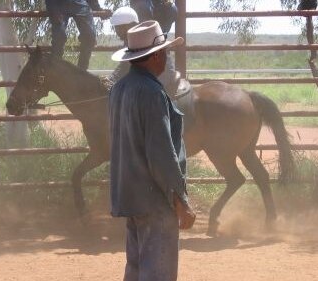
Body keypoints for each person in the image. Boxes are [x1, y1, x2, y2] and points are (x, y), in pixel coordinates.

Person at [109, 20, 196, 281]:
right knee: (157, 274)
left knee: (135, 270)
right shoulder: (152, 93)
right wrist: (180, 199)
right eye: (165, 52)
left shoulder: (118, 90)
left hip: (129, 196)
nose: (166, 57)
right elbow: (161, 153)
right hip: (155, 199)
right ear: (156, 55)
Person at [45, 0, 111, 70]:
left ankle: (81, 72)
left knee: (90, 36)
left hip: (79, 3)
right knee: (59, 36)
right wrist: (52, 8)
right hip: (58, 4)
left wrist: (97, 8)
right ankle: (55, 70)